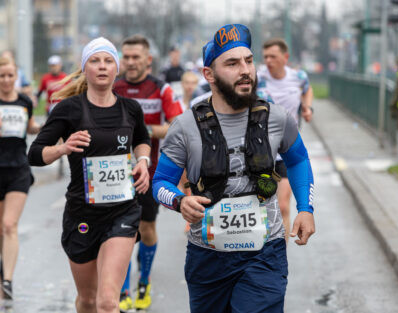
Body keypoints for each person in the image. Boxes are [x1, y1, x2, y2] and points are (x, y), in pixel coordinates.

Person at [153, 24, 316, 313]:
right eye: (232, 63)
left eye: (249, 61)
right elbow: (160, 183)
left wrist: (305, 208)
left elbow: (299, 160)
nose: (245, 70)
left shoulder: (277, 118)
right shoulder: (185, 126)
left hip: (265, 252)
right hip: (207, 257)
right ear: (209, 74)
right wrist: (180, 201)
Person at [28, 37, 151, 313]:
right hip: (82, 214)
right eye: (95, 61)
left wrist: (143, 160)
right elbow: (35, 153)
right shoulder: (69, 109)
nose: (102, 66)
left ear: (116, 68)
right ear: (85, 68)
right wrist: (63, 148)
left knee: (108, 302)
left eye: (108, 60)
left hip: (122, 210)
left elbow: (143, 138)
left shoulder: (130, 109)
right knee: (88, 300)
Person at [113, 34, 182, 311]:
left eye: (135, 57)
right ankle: (123, 288)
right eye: (126, 57)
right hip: (114, 173)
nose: (130, 62)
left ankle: (144, 280)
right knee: (119, 232)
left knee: (146, 228)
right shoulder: (113, 86)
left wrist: (143, 132)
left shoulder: (161, 89)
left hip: (149, 172)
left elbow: (177, 125)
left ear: (148, 60)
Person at [257, 37, 313, 241]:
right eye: (265, 57)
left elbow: (307, 90)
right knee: (261, 208)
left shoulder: (298, 76)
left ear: (285, 57)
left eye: (273, 56)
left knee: (282, 206)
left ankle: (280, 254)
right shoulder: (257, 77)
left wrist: (308, 108)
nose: (268, 61)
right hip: (262, 152)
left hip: (287, 150)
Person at [0, 56, 40, 300]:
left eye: (10, 75)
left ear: (17, 77)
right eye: (1, 76)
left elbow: (31, 126)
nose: (6, 80)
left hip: (18, 169)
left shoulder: (25, 101)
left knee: (9, 225)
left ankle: (7, 280)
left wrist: (48, 129)